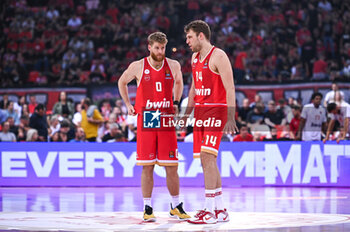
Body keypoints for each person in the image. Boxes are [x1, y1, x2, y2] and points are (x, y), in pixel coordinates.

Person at [118, 32, 189, 222]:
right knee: (147, 166)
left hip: (166, 116)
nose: (160, 51)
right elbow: (122, 82)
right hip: (148, 117)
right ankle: (147, 207)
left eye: (163, 48)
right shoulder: (138, 66)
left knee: (172, 165)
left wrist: (176, 101)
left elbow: (180, 82)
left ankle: (175, 205)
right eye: (157, 48)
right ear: (149, 47)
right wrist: (128, 104)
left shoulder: (173, 65)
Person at [184, 20, 238, 224]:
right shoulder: (194, 58)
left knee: (207, 157)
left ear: (200, 35)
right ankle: (220, 209)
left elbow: (230, 87)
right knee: (207, 160)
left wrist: (231, 116)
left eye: (189, 37)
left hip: (216, 109)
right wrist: (185, 115)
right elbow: (193, 89)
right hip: (200, 112)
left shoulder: (219, 55)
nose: (187, 41)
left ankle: (209, 210)